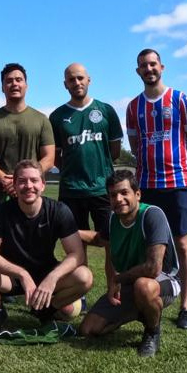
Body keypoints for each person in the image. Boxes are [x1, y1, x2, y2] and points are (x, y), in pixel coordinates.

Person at [126, 48, 187, 330]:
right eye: (143, 66)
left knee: (181, 244)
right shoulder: (133, 107)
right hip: (147, 185)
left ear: (162, 67)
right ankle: (147, 297)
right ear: (138, 71)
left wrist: (180, 165)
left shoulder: (180, 99)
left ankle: (185, 306)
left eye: (153, 64)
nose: (149, 69)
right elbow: (136, 146)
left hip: (177, 184)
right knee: (150, 245)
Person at [0, 160, 93, 336]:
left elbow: (77, 254)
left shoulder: (59, 210)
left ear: (43, 185)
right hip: (12, 277)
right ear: (14, 185)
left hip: (46, 273)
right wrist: (22, 274)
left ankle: (45, 311)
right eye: (22, 181)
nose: (28, 186)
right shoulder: (2, 212)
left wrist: (52, 278)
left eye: (34, 180)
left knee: (84, 277)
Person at [79, 170, 181, 357]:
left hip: (163, 280)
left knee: (144, 287)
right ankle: (140, 312)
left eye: (124, 192)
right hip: (129, 282)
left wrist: (117, 279)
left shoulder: (152, 215)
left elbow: (153, 268)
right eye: (113, 195)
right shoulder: (113, 219)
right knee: (89, 329)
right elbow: (100, 239)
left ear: (137, 194)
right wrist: (68, 231)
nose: (118, 199)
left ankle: (152, 332)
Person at [49, 63, 123, 244]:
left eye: (80, 78)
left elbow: (114, 151)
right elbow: (55, 156)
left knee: (111, 240)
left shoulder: (106, 110)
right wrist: (72, 171)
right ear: (65, 84)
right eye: (71, 79)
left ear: (89, 80)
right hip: (71, 191)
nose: (76, 82)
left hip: (103, 188)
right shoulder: (57, 116)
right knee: (75, 241)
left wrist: (98, 166)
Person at [0, 63, 55, 228]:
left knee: (32, 241)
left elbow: (49, 158)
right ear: (2, 87)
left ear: (26, 85)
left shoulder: (41, 119)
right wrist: (5, 180)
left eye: (19, 80)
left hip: (31, 193)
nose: (14, 84)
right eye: (9, 81)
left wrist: (26, 179)